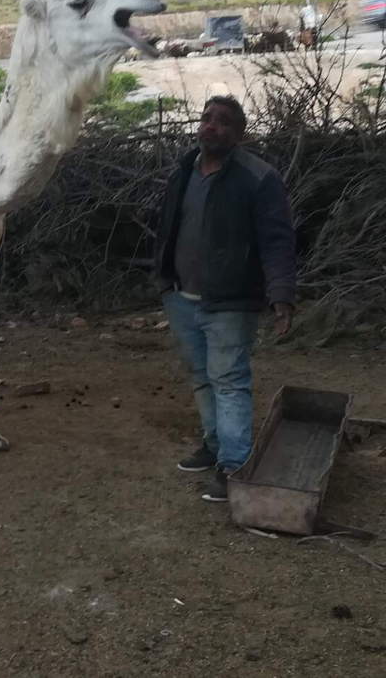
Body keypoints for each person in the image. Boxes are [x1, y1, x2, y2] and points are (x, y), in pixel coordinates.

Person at [154, 96, 296, 503]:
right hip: (181, 296)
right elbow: (169, 225)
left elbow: (277, 241)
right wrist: (164, 281)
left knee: (230, 380)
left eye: (223, 122)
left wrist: (281, 294)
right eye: (206, 119)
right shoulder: (183, 170)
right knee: (201, 376)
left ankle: (234, 466)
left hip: (231, 299)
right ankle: (215, 446)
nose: (211, 126)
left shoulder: (258, 178)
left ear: (239, 133)